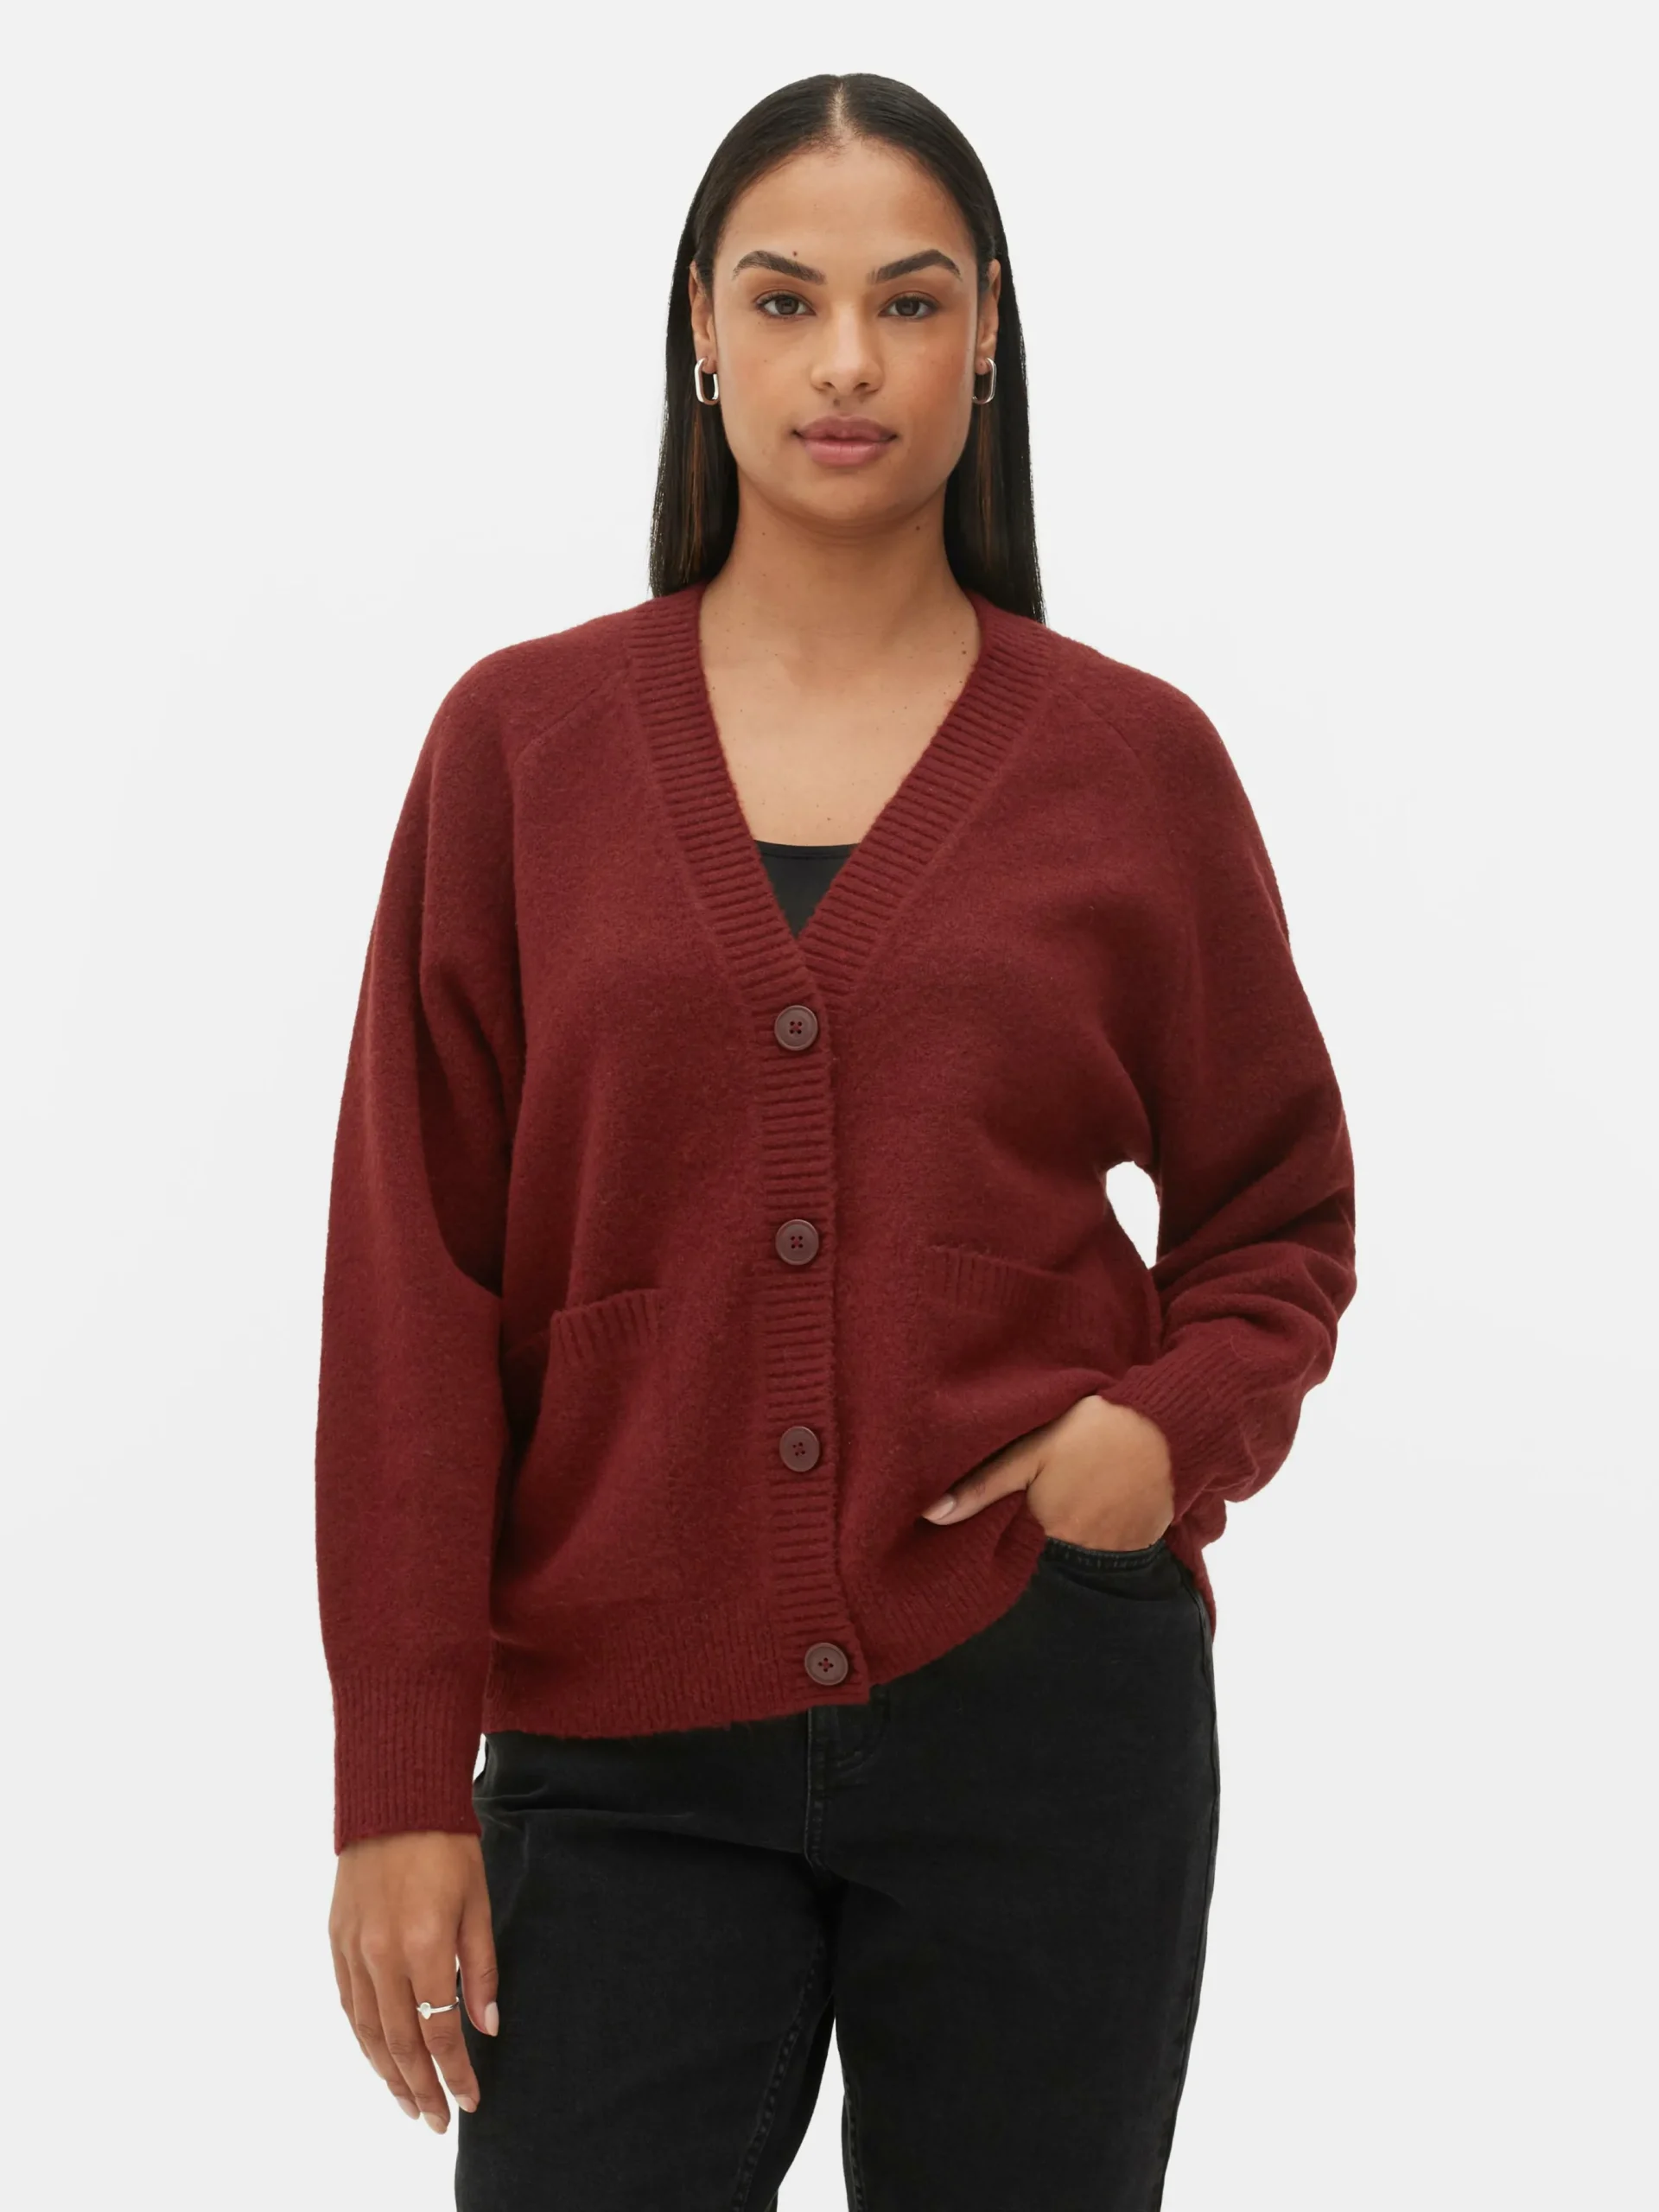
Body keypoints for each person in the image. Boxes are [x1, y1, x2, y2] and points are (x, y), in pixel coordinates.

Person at [315, 70, 1357, 2212]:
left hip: (1042, 1704)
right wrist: (398, 1777)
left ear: (991, 335)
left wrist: (1157, 1440)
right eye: (787, 301)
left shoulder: (1132, 764)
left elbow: (1280, 1211)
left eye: (911, 301)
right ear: (701, 331)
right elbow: (413, 1284)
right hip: (611, 1736)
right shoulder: (520, 747)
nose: (850, 363)